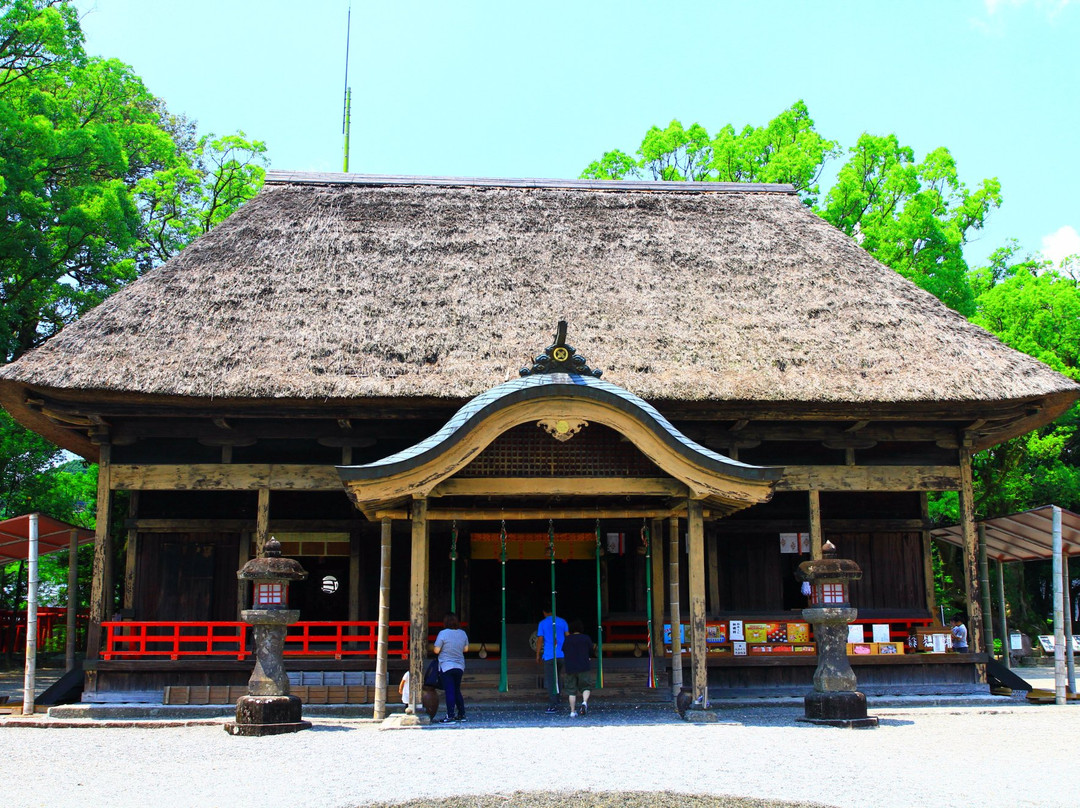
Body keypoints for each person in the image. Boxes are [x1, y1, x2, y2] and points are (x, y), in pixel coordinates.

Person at [434, 612, 469, 722]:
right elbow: (466, 649)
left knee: (449, 691)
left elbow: (436, 650)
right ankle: (462, 714)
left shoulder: (443, 634)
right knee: (457, 690)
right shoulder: (463, 633)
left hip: (446, 665)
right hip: (459, 666)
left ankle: (450, 715)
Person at [536, 606, 569, 713]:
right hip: (562, 654)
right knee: (558, 677)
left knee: (551, 680)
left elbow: (540, 640)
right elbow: (568, 637)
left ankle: (553, 704)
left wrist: (537, 654)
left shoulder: (542, 623)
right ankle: (558, 698)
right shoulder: (562, 621)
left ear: (544, 612)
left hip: (550, 655)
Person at [562, 619, 594, 717]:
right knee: (586, 687)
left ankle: (572, 711)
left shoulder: (567, 639)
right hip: (583, 666)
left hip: (570, 667)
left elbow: (563, 650)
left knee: (571, 690)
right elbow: (591, 651)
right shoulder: (586, 638)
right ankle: (584, 702)